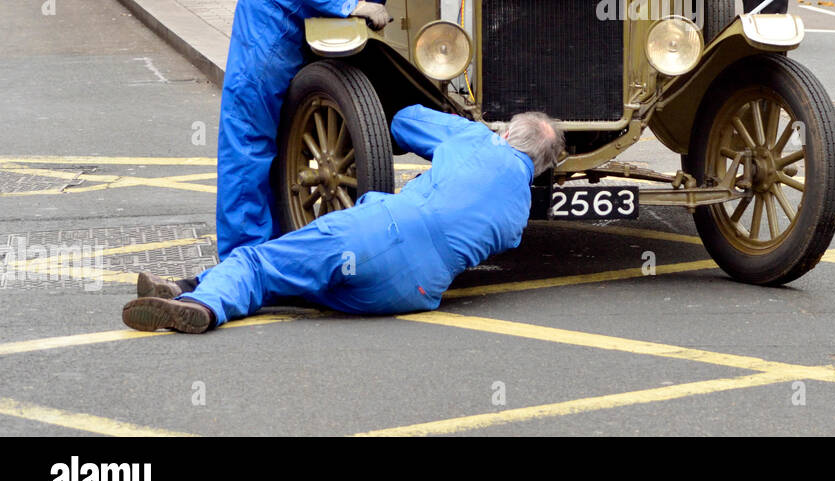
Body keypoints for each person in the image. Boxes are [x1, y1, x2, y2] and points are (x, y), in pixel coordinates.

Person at [208, 0, 515, 259]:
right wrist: (348, 3)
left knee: (288, 125)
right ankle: (243, 257)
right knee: (251, 135)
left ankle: (280, 240)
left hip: (317, 17)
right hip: (275, 17)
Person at [122, 107, 565, 332]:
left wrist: (472, 130)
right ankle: (183, 288)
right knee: (292, 284)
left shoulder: (478, 140)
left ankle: (204, 306)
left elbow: (404, 122)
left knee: (259, 264)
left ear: (507, 133)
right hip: (411, 292)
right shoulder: (519, 214)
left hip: (378, 235)